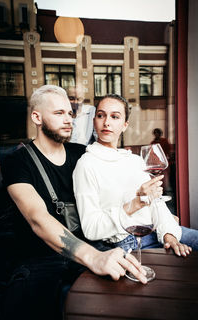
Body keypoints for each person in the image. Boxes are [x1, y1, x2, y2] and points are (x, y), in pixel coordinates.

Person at [0, 86, 147, 320]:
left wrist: (153, 211)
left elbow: (116, 183)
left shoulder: (81, 153)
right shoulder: (17, 161)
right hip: (40, 259)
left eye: (70, 113)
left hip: (91, 248)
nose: (69, 120)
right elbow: (38, 219)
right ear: (37, 117)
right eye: (59, 113)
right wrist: (93, 257)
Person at [73, 94, 198, 258]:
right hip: (128, 243)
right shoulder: (86, 164)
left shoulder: (134, 160)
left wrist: (169, 233)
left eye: (115, 116)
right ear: (94, 121)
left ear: (125, 125)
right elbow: (91, 228)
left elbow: (156, 203)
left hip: (157, 231)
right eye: (101, 115)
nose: (107, 122)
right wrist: (136, 203)